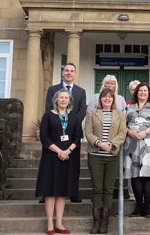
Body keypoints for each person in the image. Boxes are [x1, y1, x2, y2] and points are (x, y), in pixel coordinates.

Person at [35, 89, 81, 235]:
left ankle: (59, 223)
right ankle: (50, 223)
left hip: (68, 157)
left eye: (66, 97)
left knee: (62, 191)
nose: (63, 100)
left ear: (69, 101)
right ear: (56, 100)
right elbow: (44, 137)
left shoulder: (74, 117)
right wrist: (59, 151)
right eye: (60, 97)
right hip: (51, 157)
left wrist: (67, 151)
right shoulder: (48, 116)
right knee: (50, 190)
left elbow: (77, 137)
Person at [84, 88, 127, 234]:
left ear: (113, 99)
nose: (107, 99)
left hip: (112, 157)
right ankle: (96, 222)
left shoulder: (120, 114)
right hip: (95, 155)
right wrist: (99, 143)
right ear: (100, 99)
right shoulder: (92, 113)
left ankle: (105, 223)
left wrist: (112, 143)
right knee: (97, 189)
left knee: (108, 189)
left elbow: (123, 132)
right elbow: (88, 132)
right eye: (104, 97)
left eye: (110, 97)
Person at [43, 63, 87, 203]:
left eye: (72, 71)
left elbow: (82, 111)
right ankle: (47, 193)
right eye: (66, 70)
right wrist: (60, 121)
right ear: (63, 72)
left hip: (73, 134)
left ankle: (73, 192)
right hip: (55, 132)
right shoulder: (53, 89)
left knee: (73, 166)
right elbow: (49, 108)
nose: (69, 73)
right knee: (51, 166)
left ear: (75, 73)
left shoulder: (81, 91)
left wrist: (71, 122)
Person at [123, 83, 150, 218]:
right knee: (135, 176)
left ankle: (146, 208)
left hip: (149, 144)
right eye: (140, 90)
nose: (142, 92)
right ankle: (138, 208)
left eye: (145, 90)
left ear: (149, 92)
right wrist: (130, 132)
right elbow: (122, 124)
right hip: (132, 144)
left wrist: (145, 132)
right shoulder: (129, 107)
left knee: (147, 175)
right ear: (136, 92)